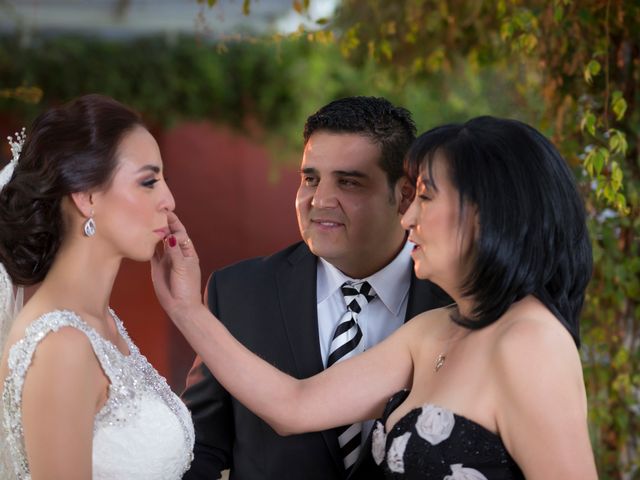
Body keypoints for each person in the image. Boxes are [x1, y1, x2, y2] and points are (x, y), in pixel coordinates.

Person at [154, 116, 598, 479]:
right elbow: (293, 406)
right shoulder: (433, 330)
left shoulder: (531, 341)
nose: (408, 217)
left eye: (424, 197)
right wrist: (186, 308)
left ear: (486, 213)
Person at [180, 96, 451, 479]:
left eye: (349, 182)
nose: (320, 200)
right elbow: (201, 446)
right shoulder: (239, 293)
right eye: (310, 179)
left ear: (404, 195)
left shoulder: (456, 301)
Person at [0, 94, 194, 479]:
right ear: (87, 196)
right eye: (149, 182)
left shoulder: (101, 322)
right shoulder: (61, 345)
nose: (168, 201)